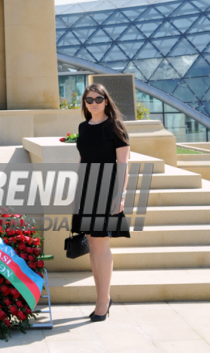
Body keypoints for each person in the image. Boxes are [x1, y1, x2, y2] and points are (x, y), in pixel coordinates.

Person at [71, 83, 130, 322]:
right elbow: (82, 160)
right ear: (84, 103)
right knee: (92, 247)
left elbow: (124, 164)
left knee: (101, 246)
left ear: (106, 101)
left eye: (98, 98)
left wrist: (121, 195)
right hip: (86, 190)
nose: (93, 103)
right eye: (89, 99)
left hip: (107, 190)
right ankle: (101, 298)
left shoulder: (114, 127)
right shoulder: (83, 127)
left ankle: (103, 301)